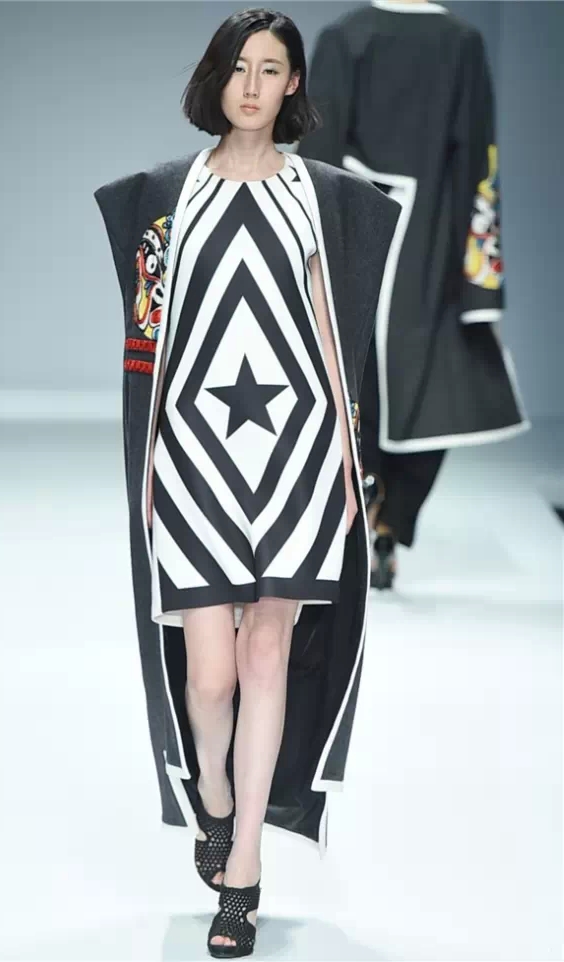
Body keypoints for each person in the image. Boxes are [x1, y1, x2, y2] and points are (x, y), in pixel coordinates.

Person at [94, 8, 399, 957]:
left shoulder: (319, 197)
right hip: (193, 450)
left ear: (294, 83)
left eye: (272, 69)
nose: (254, 86)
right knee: (210, 675)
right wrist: (144, 459)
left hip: (298, 449)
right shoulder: (168, 197)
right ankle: (216, 799)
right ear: (216, 78)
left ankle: (246, 869)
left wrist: (348, 462)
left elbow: (336, 336)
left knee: (266, 656)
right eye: (239, 67)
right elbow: (149, 338)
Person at [298, 0, 530, 589]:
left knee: (355, 374)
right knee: (435, 379)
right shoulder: (462, 42)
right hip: (437, 231)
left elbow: (318, 154)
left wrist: (309, 250)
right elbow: (479, 155)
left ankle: (367, 498)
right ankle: (393, 518)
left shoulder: (347, 35)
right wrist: (478, 271)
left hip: (359, 225)